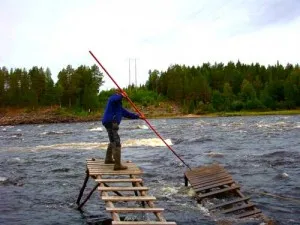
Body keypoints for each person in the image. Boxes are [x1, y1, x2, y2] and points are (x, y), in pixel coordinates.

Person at [102, 89, 144, 170]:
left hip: (109, 123)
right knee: (116, 142)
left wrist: (139, 116)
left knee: (113, 140)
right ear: (117, 93)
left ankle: (108, 159)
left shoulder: (119, 107)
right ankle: (117, 165)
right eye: (119, 94)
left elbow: (128, 114)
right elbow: (115, 98)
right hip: (111, 122)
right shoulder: (113, 98)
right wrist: (122, 95)